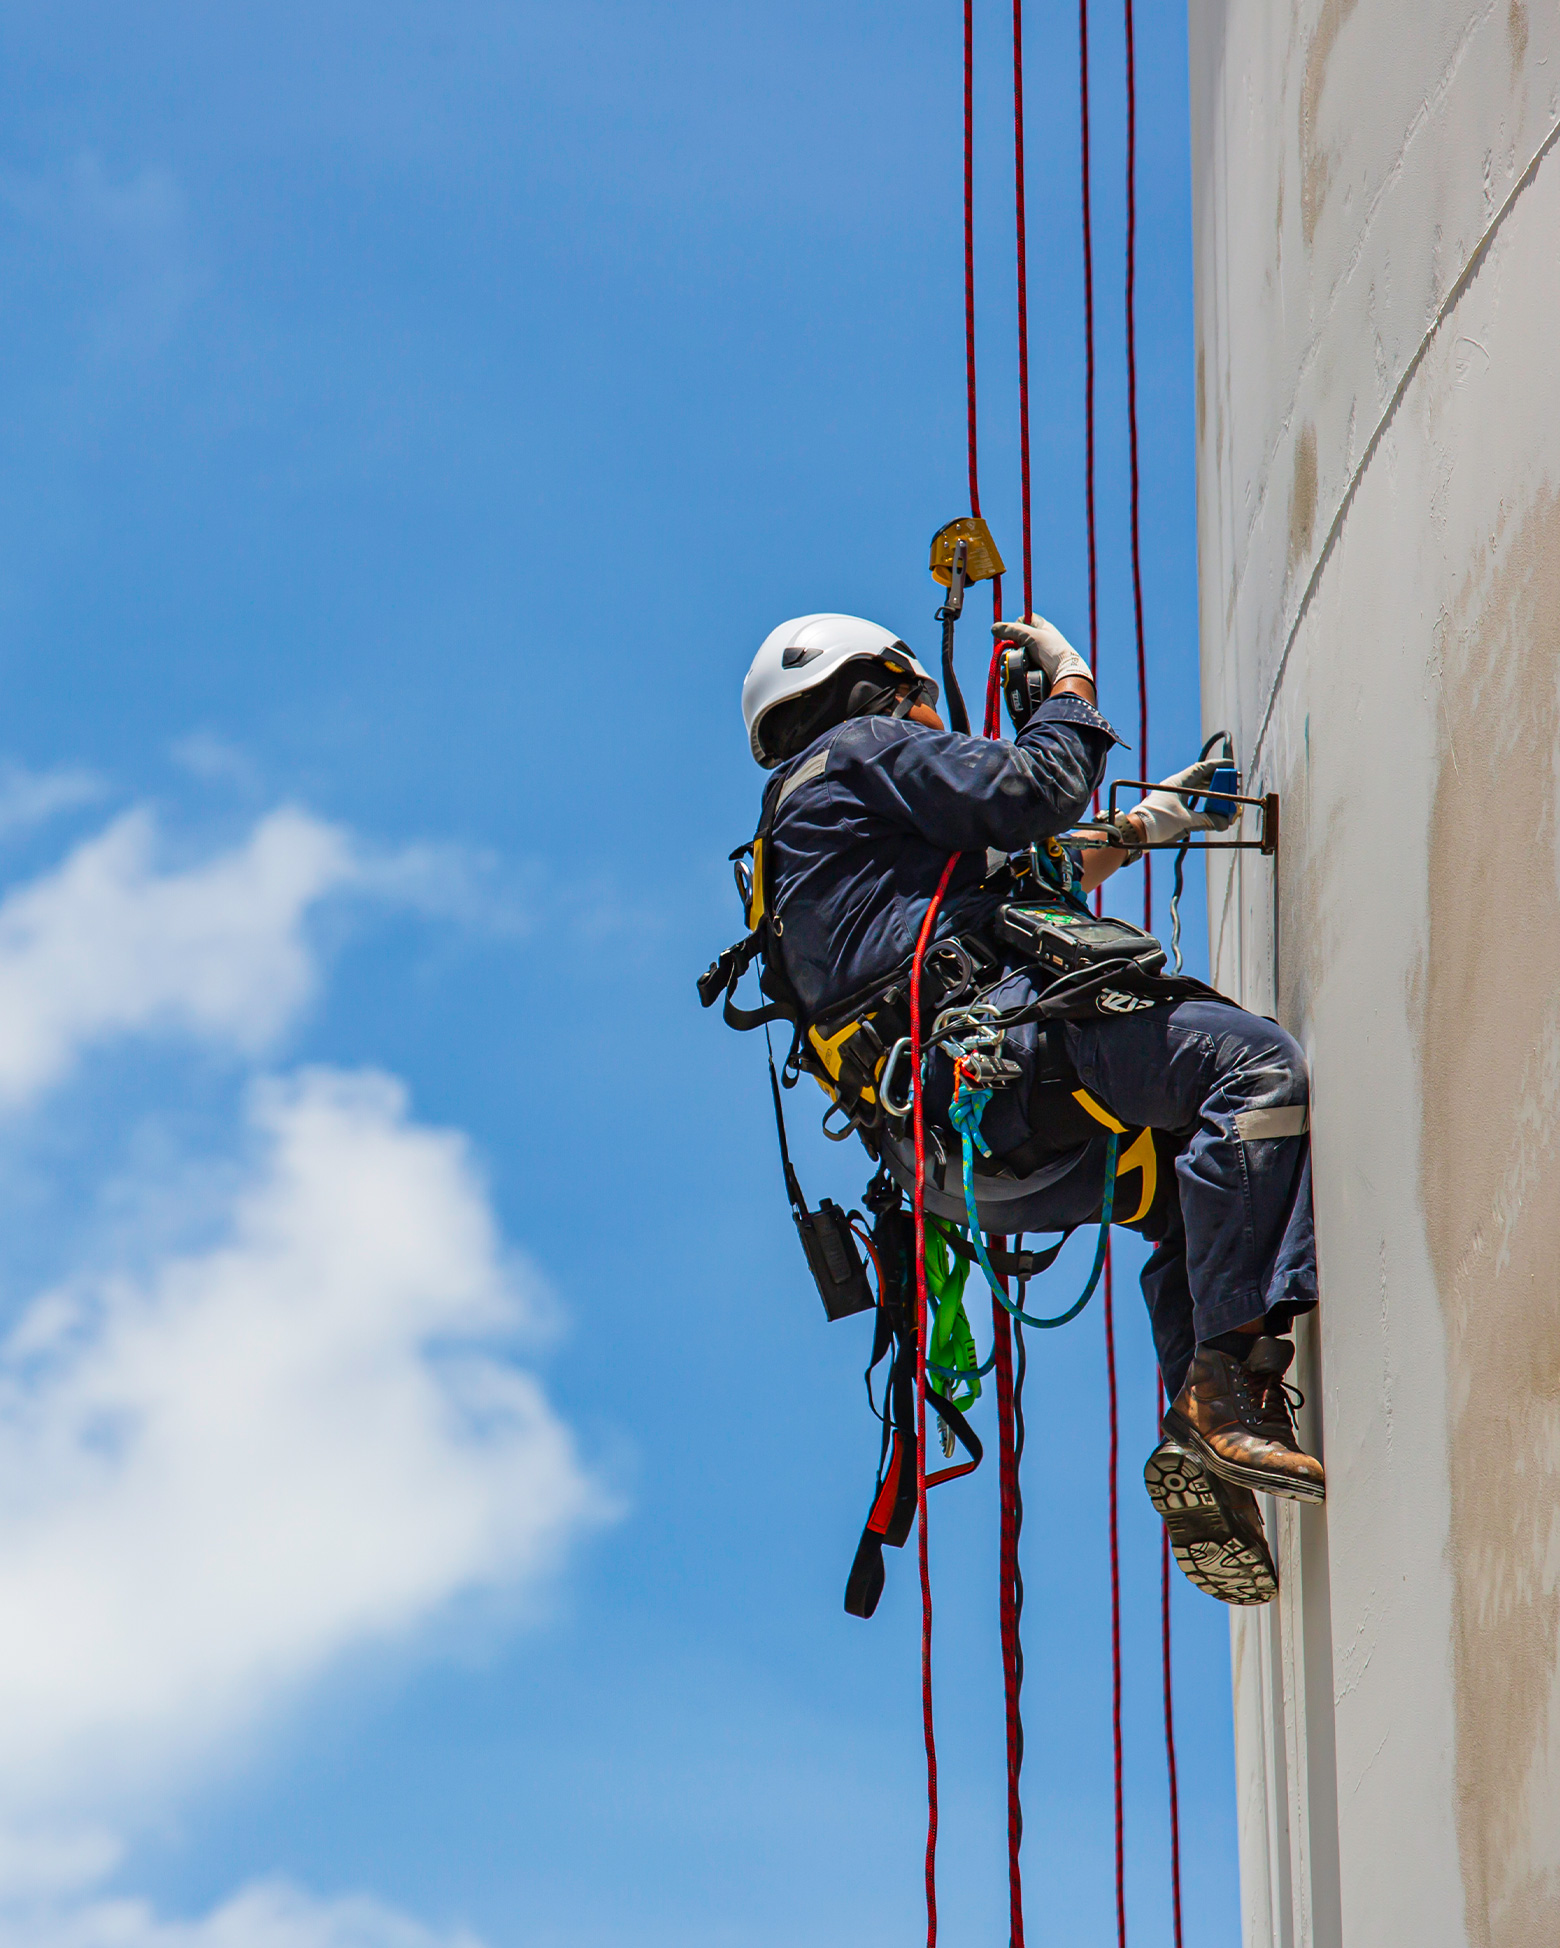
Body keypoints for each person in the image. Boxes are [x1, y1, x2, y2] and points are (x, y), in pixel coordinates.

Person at [737, 609, 1322, 1606]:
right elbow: (1032, 792)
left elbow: (1017, 879)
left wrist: (1156, 822)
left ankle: (1208, 1443)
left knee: (1198, 1190)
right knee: (1251, 1072)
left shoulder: (797, 847)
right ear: (875, 683)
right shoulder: (865, 747)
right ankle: (1223, 1385)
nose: (933, 720)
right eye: (923, 699)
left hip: (951, 1161)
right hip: (1001, 1064)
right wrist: (1070, 689)